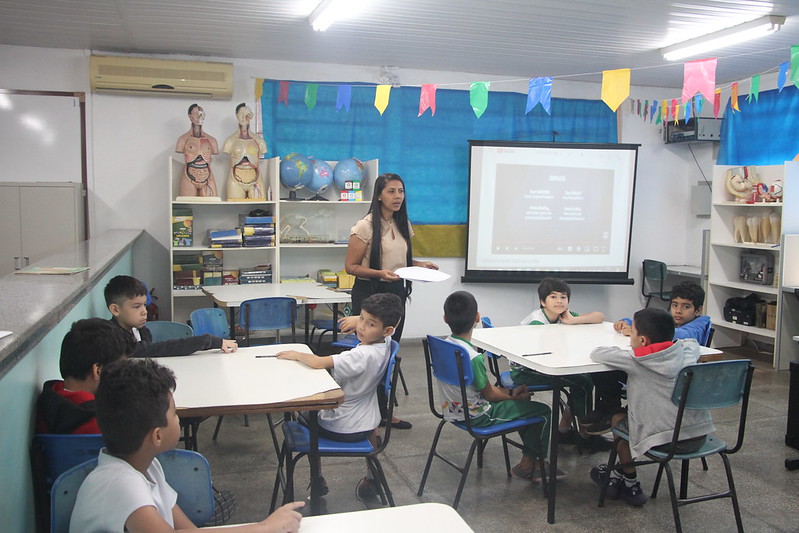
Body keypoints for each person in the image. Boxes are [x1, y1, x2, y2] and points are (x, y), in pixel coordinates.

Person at [69, 358, 304, 532]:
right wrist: (263, 528)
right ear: (157, 436)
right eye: (173, 413)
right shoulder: (119, 483)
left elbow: (187, 530)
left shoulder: (147, 466)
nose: (178, 418)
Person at [277, 293, 403, 500]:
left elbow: (318, 362)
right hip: (368, 421)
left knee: (304, 414)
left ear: (387, 329)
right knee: (368, 418)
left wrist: (297, 354)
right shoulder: (387, 342)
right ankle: (371, 477)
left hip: (341, 426)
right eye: (361, 319)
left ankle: (317, 478)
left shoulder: (359, 356)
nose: (361, 327)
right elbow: (375, 325)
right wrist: (362, 320)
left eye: (370, 324)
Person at [338, 173, 438, 429]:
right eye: (391, 191)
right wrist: (380, 273)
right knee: (372, 355)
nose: (397, 196)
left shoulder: (402, 223)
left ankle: (383, 412)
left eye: (401, 191)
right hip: (371, 293)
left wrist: (420, 265)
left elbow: (399, 261)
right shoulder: (364, 226)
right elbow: (351, 266)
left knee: (388, 353)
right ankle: (369, 412)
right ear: (379, 195)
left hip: (396, 293)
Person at [589, 307, 714, 507]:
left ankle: (630, 483)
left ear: (643, 340)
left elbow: (598, 353)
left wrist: (629, 350)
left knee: (617, 419)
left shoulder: (636, 360)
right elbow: (691, 342)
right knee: (635, 419)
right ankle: (617, 475)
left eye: (633, 332)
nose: (630, 335)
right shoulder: (686, 354)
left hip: (665, 441)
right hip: (698, 436)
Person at [441, 291, 559, 482]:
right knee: (543, 412)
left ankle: (528, 461)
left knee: (525, 407)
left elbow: (487, 390)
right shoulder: (472, 357)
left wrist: (512, 393)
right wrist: (513, 394)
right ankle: (536, 465)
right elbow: (490, 395)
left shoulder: (445, 346)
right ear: (477, 318)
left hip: (451, 409)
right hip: (478, 416)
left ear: (445, 318)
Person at [510, 277, 613, 449]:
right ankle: (586, 433)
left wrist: (573, 320)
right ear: (543, 302)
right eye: (553, 297)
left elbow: (599, 316)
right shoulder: (537, 322)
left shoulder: (563, 316)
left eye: (563, 297)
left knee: (584, 380)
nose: (559, 301)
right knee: (582, 383)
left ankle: (565, 429)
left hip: (546, 365)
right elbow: (547, 356)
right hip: (526, 370)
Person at [37, 318, 134, 434]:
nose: (123, 377)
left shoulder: (50, 399)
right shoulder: (106, 424)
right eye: (120, 370)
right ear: (97, 371)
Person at [105, 275, 238, 357]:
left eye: (144, 305)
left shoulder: (141, 330)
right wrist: (208, 341)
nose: (144, 311)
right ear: (115, 310)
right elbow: (159, 349)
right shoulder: (115, 340)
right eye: (136, 307)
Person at [614, 281, 711, 345]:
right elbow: (648, 322)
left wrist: (637, 330)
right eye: (675, 305)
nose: (678, 311)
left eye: (686, 307)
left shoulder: (699, 326)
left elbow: (678, 334)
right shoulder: (673, 321)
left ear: (698, 311)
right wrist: (626, 322)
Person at [223, 103, 267, 200]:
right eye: (241, 114)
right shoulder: (230, 141)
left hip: (255, 178)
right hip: (235, 179)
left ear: (251, 116)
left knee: (260, 205)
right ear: (236, 115)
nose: (244, 117)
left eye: (247, 114)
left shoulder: (259, 141)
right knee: (235, 205)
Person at [175, 103, 219, 198]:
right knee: (186, 203)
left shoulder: (212, 141)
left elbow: (215, 151)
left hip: (207, 176)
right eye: (195, 114)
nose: (199, 116)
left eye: (201, 114)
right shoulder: (183, 140)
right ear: (190, 116)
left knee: (212, 203)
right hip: (189, 176)